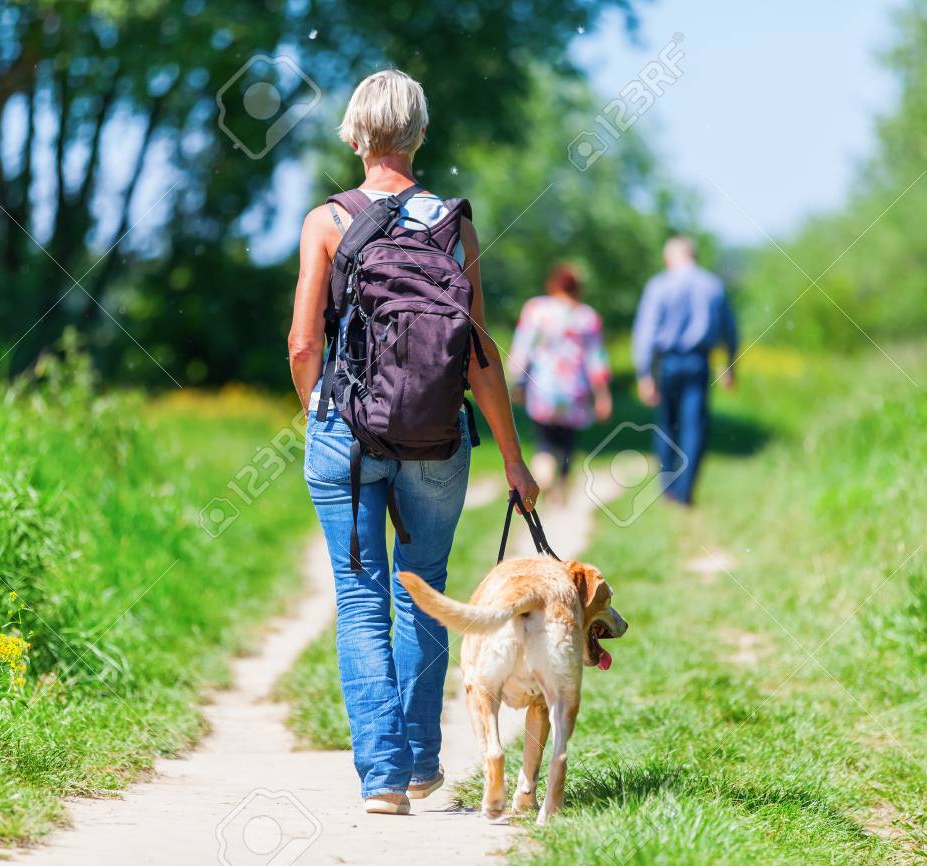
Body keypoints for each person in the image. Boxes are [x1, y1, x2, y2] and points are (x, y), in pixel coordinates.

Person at [287, 69, 539, 816]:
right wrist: (516, 461)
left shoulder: (326, 221)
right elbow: (478, 351)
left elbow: (305, 343)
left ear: (355, 135)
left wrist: (321, 414)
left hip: (349, 434)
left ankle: (384, 780)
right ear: (420, 134)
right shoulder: (452, 224)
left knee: (363, 603)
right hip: (438, 436)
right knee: (424, 590)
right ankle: (424, 760)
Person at [631, 235, 738, 505]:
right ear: (694, 255)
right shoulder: (713, 285)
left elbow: (646, 333)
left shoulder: (659, 286)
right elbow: (730, 330)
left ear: (669, 258)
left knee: (666, 423)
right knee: (695, 426)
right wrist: (729, 365)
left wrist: (644, 373)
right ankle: (685, 490)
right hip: (698, 362)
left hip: (666, 363)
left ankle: (668, 489)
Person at [508, 263, 612, 502]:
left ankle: (543, 476)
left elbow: (522, 349)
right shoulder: (587, 317)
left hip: (542, 388)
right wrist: (603, 395)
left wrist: (517, 382)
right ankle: (561, 487)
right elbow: (596, 359)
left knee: (544, 439)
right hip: (575, 391)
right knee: (567, 441)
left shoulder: (536, 309)